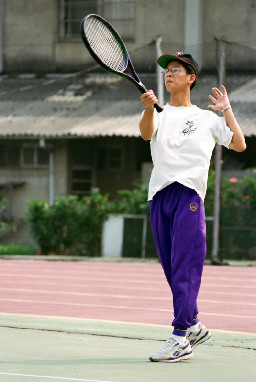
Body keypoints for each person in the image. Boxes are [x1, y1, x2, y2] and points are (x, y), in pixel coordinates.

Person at [139, 52, 246, 363]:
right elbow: (147, 133)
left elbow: (239, 144)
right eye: (166, 71)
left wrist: (226, 110)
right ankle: (194, 325)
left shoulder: (206, 119)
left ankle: (179, 338)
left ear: (191, 78)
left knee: (185, 267)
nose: (169, 75)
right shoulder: (159, 112)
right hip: (159, 197)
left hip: (188, 198)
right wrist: (148, 110)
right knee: (173, 271)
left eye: (175, 70)